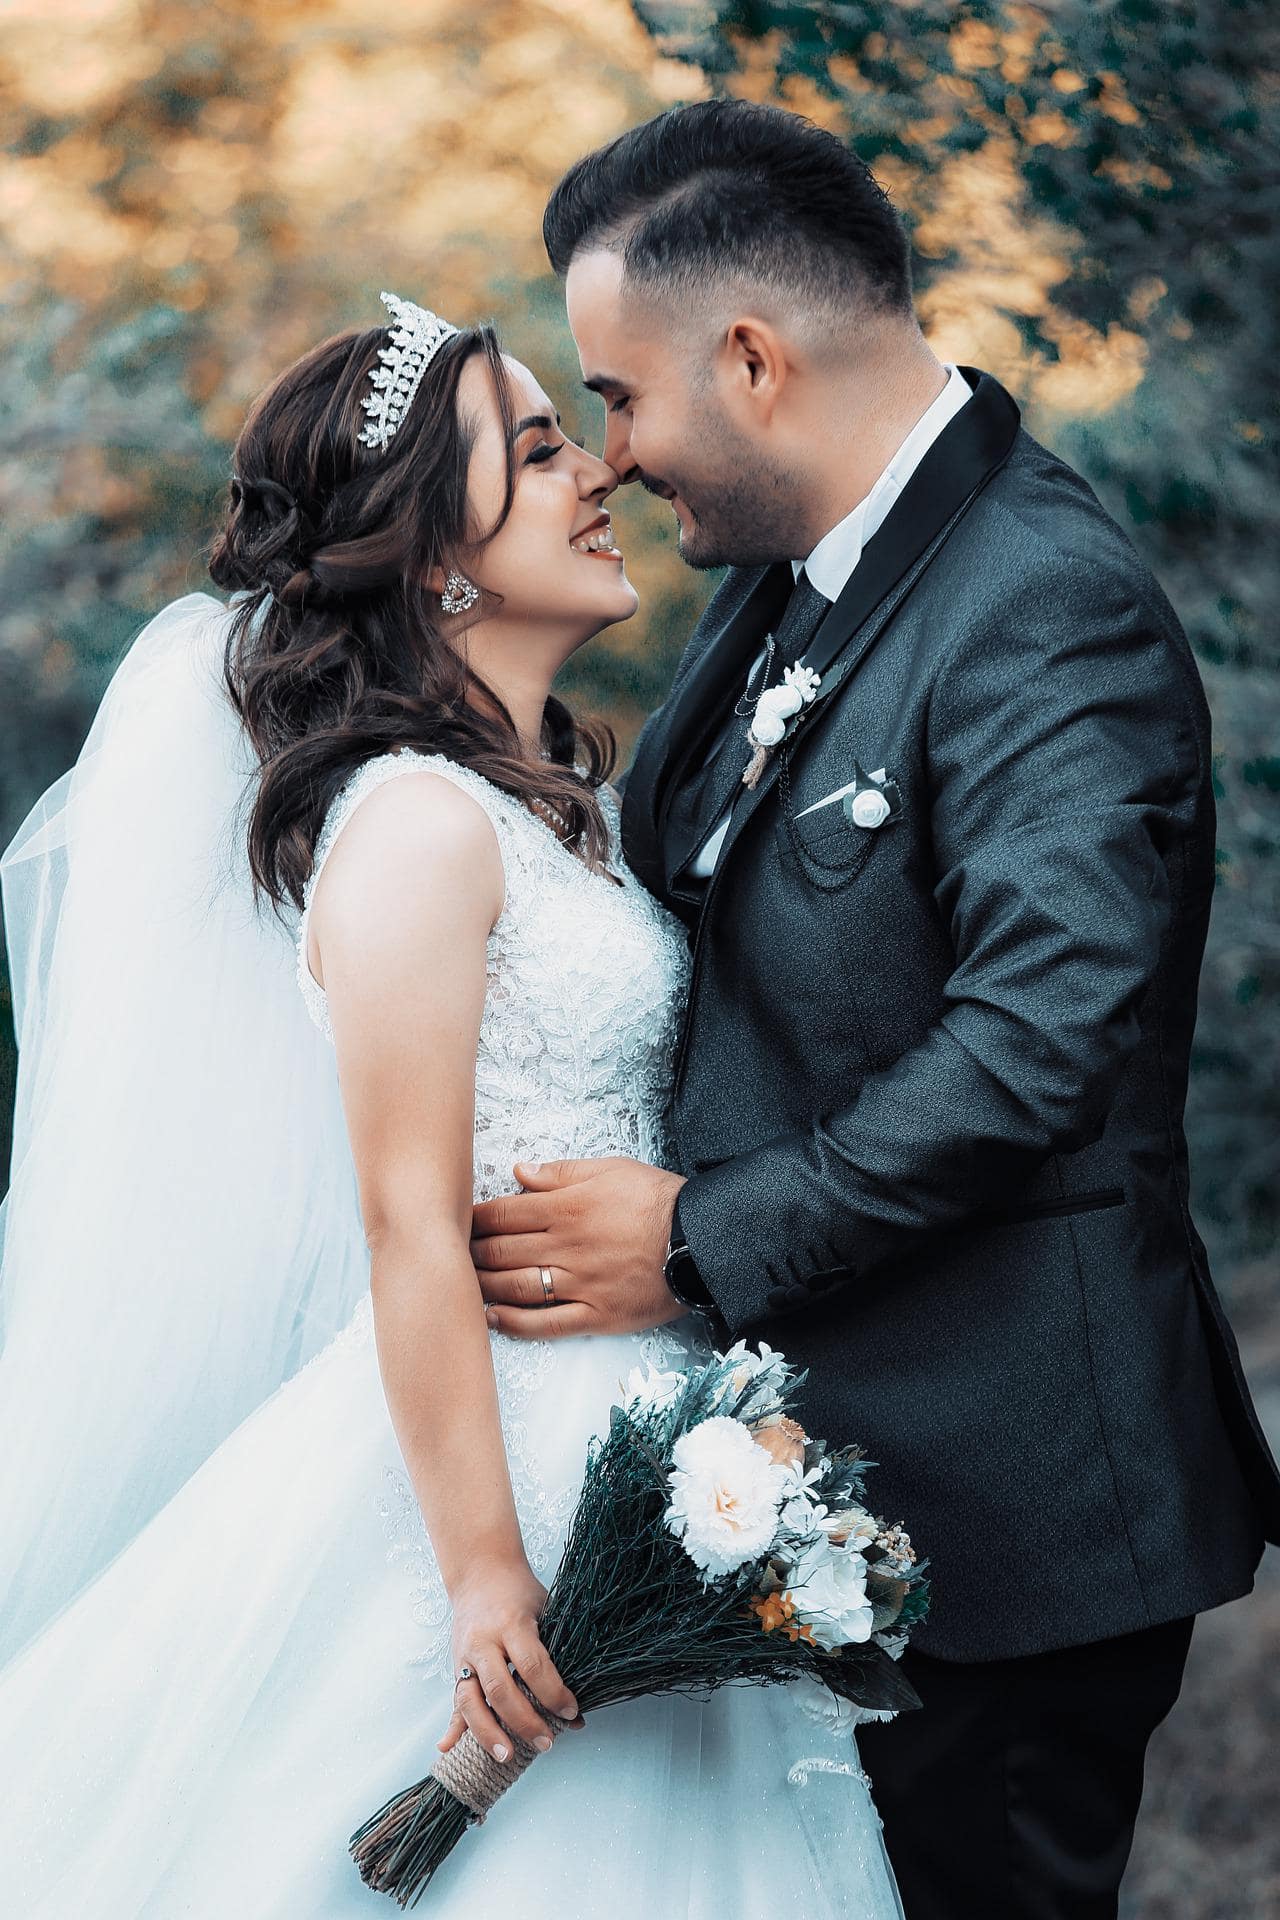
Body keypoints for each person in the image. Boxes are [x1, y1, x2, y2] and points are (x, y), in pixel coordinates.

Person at [470, 99, 1280, 1918]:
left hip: (1006, 1513)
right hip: (820, 1484)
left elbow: (1036, 1043)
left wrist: (698, 1238)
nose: (614, 456)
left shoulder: (1044, 602)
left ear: (752, 361)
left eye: (620, 398)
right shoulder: (793, 579)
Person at [0, 294, 905, 1916]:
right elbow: (407, 1220)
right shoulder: (416, 827)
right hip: (492, 1460)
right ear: (433, 558)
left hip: (636, 1417)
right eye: (541, 450)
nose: (596, 474)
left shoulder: (560, 808)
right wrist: (485, 1573)